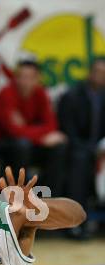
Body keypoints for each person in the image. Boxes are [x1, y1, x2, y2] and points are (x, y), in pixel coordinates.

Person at [0, 60, 67, 197]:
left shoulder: (41, 93)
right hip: (5, 145)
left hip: (30, 145)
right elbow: (14, 131)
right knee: (22, 145)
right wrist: (41, 136)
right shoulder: (6, 94)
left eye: (30, 77)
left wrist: (29, 131)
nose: (25, 81)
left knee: (59, 146)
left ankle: (51, 198)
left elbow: (52, 126)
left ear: (37, 79)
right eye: (21, 76)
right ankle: (17, 197)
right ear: (16, 78)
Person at [58, 57, 105, 237]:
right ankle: (75, 222)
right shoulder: (72, 95)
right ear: (90, 73)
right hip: (76, 147)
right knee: (81, 160)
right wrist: (91, 149)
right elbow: (67, 129)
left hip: (99, 147)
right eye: (98, 72)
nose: (101, 77)